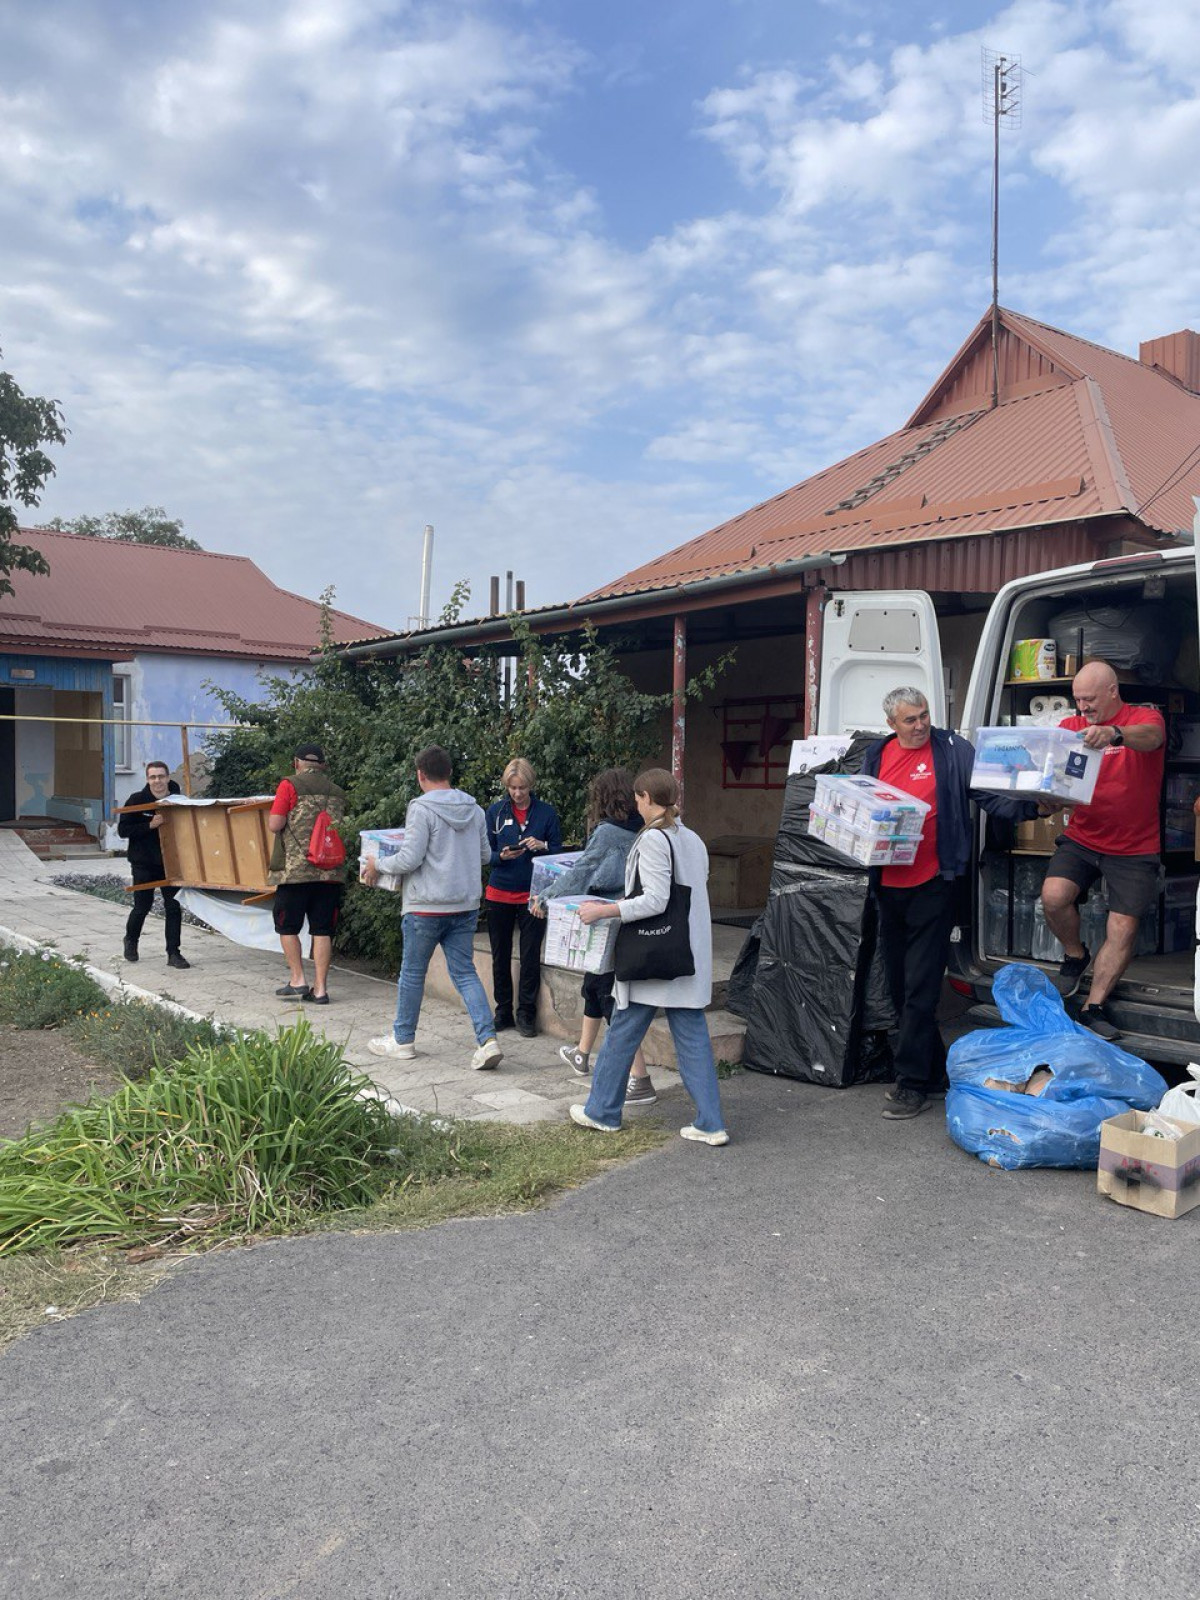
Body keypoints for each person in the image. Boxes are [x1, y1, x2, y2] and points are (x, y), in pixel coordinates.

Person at [863, 689, 1037, 1121]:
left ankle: (912, 1084)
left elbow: (989, 794)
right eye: (910, 720)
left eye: (924, 716)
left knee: (921, 989)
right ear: (892, 725)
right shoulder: (876, 754)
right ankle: (935, 1072)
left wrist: (1034, 805)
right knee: (902, 987)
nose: (920, 725)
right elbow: (862, 806)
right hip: (888, 885)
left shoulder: (952, 750)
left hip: (934, 885)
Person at [567, 768, 729, 1146]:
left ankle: (602, 1111)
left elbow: (656, 899)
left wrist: (604, 911)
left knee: (623, 1030)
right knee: (691, 1037)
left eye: (638, 799)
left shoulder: (654, 839)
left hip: (654, 955)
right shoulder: (690, 838)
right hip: (685, 953)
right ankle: (710, 1122)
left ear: (643, 797)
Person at [1041, 659, 1166, 1040]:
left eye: (1090, 699)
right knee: (1053, 896)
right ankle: (1076, 954)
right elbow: (1060, 784)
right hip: (1083, 836)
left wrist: (1114, 734)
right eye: (1077, 700)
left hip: (1135, 845)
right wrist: (1046, 800)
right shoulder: (1070, 727)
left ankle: (1092, 1007)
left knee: (1122, 925)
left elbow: (1151, 739)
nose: (1083, 708)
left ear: (1113, 691)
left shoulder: (1145, 718)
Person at [365, 745, 502, 1071]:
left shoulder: (421, 809)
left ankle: (403, 1040)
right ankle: (487, 1040)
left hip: (425, 906)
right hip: (464, 905)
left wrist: (377, 864)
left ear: (420, 775)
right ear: (450, 772)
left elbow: (410, 858)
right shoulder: (476, 809)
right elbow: (485, 856)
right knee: (466, 973)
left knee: (412, 974)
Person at [531, 767, 656, 1105]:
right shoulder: (646, 829)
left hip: (604, 917)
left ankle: (640, 1079)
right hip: (629, 915)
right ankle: (583, 1054)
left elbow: (582, 872)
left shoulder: (608, 832)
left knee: (608, 996)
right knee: (596, 986)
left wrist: (544, 897)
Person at [484, 758, 562, 1037]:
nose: (517, 793)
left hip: (533, 895)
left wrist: (542, 846)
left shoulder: (546, 813)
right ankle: (503, 1010)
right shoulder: (494, 812)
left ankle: (526, 1013)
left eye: (523, 788)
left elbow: (558, 852)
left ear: (531, 785)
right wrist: (501, 856)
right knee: (499, 954)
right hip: (499, 892)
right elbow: (484, 853)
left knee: (530, 955)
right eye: (513, 788)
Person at [267, 742, 347, 1005]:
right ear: (323, 766)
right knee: (323, 929)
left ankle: (298, 979)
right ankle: (321, 989)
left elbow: (275, 824)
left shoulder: (289, 785)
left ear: (296, 763)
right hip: (330, 872)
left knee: (287, 924)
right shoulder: (337, 792)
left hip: (296, 872)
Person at [117, 760, 190, 969]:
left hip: (171, 862)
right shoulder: (137, 800)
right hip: (144, 863)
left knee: (173, 907)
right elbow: (123, 830)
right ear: (148, 779)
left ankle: (173, 953)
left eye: (161, 776)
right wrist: (149, 825)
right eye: (153, 777)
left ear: (168, 777)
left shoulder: (178, 800)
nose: (157, 781)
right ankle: (131, 941)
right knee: (142, 906)